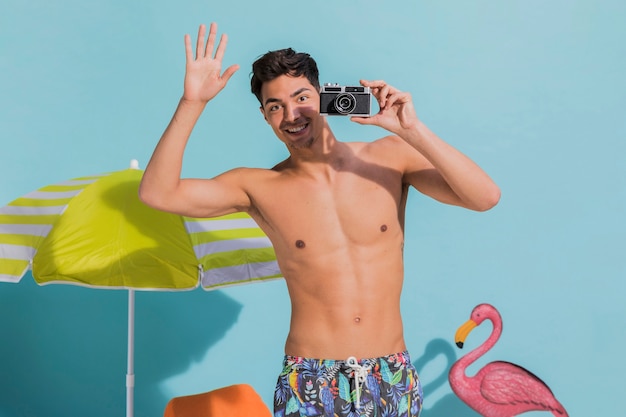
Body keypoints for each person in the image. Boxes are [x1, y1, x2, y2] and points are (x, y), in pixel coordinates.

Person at [139, 22, 500, 417]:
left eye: (301, 97)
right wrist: (193, 102)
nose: (291, 114)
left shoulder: (389, 159)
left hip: (391, 373)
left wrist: (413, 130)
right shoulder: (257, 186)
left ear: (324, 96)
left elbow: (484, 197)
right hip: (310, 378)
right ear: (265, 117)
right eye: (275, 106)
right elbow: (158, 194)